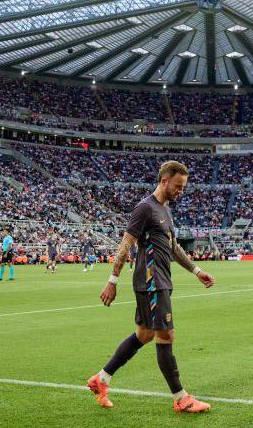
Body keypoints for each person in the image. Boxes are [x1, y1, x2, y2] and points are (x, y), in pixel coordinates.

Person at [87, 161, 215, 414]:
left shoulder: (165, 211)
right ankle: (181, 398)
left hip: (160, 280)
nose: (181, 191)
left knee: (144, 334)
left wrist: (197, 271)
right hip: (151, 281)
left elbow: (174, 248)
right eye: (178, 186)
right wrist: (112, 281)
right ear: (165, 181)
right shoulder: (145, 208)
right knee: (165, 335)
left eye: (183, 187)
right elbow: (126, 245)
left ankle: (101, 379)